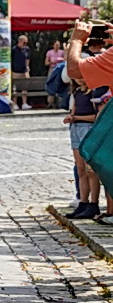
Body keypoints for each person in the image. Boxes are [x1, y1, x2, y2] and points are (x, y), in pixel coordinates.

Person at [62, 30, 108, 220]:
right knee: (81, 169)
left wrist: (75, 40)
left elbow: (74, 70)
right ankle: (83, 200)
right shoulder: (77, 92)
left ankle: (93, 203)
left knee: (91, 170)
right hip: (76, 129)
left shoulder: (93, 91)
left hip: (87, 128)